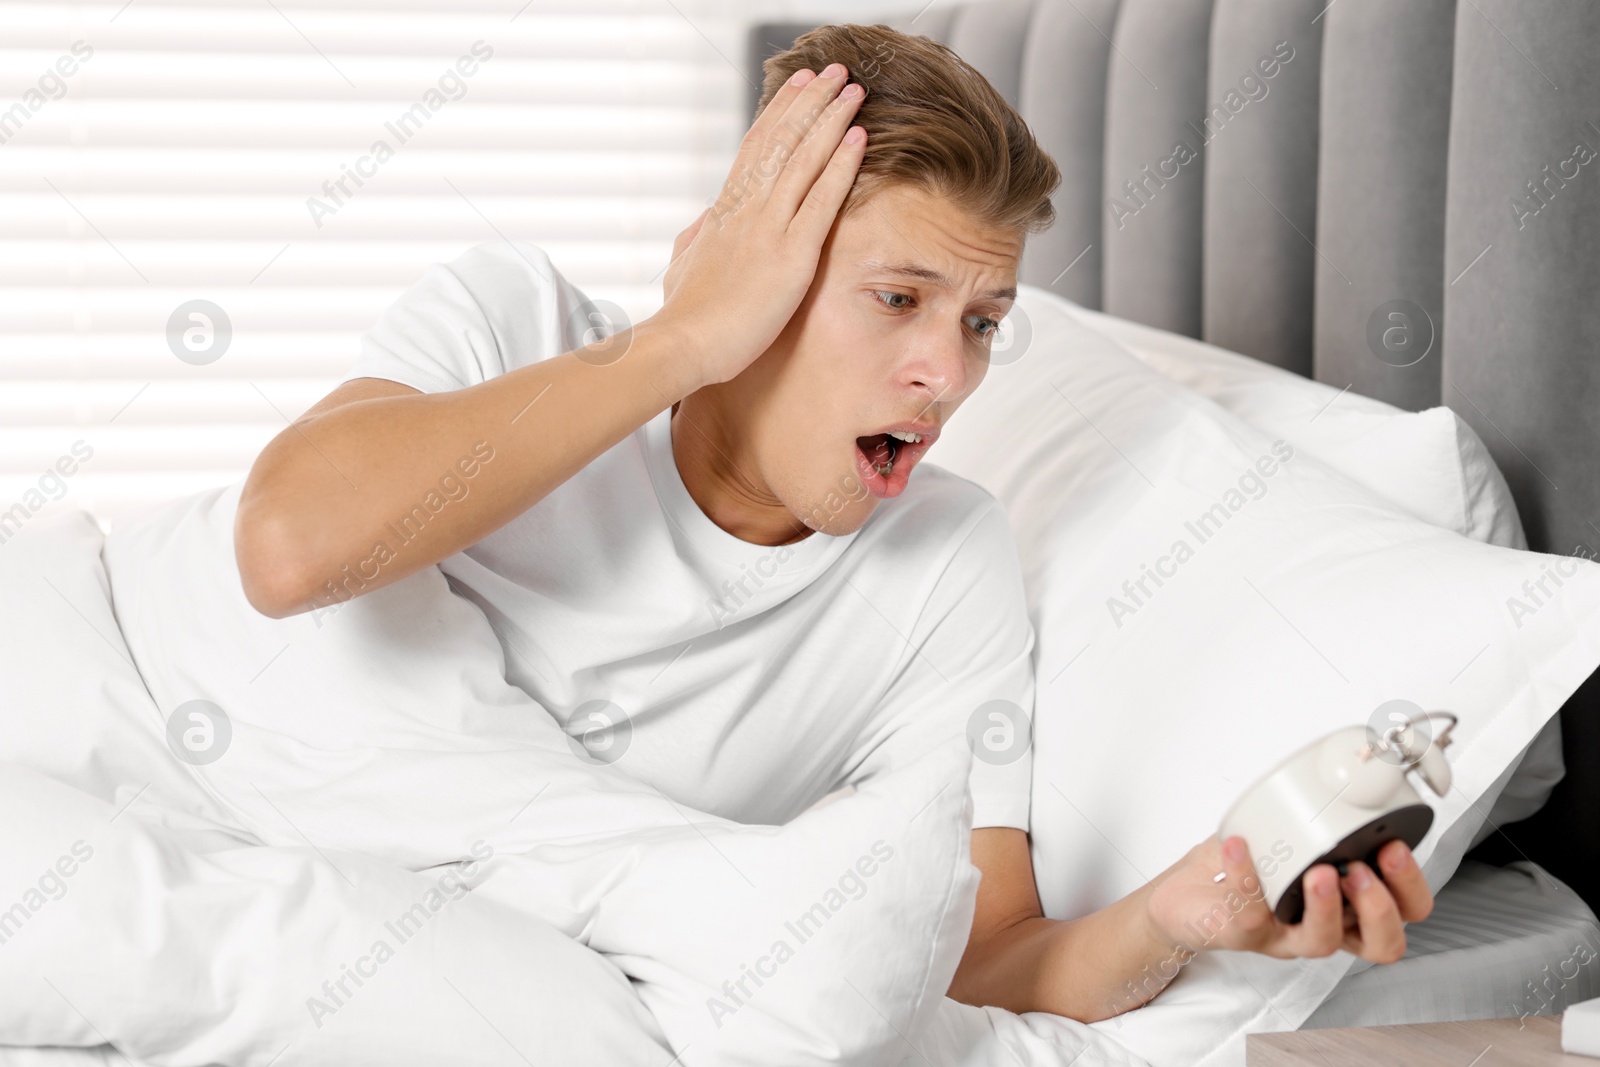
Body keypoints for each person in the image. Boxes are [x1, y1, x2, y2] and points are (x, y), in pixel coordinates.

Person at [232, 23, 1432, 1024]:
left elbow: (978, 954)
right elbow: (288, 550)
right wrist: (680, 341)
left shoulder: (944, 566)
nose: (946, 375)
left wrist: (1181, 918)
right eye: (898, 298)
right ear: (741, 268)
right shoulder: (512, 322)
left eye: (980, 320)